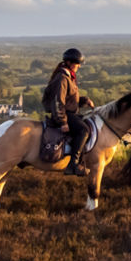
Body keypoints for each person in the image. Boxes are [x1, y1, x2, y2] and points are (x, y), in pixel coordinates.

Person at [42, 47, 88, 175]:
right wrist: (63, 122)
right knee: (84, 130)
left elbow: (70, 99)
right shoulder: (62, 78)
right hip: (64, 114)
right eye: (77, 63)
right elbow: (58, 102)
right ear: (69, 63)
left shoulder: (69, 77)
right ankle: (73, 165)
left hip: (69, 112)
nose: (79, 66)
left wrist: (84, 101)